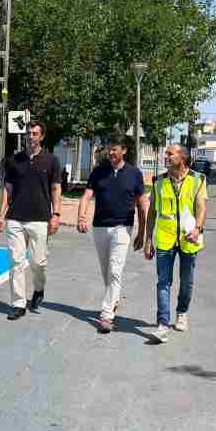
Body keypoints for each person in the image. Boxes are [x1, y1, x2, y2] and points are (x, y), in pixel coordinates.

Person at [76, 141, 147, 333]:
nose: (111, 152)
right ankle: (113, 299)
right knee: (107, 272)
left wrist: (142, 233)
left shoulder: (134, 174)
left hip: (123, 227)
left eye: (115, 149)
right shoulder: (99, 171)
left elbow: (142, 204)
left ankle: (106, 316)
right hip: (100, 227)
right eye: (109, 149)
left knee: (115, 271)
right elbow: (86, 196)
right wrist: (81, 216)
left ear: (123, 150)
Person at [0, 121, 62, 320]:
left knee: (38, 262)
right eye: (29, 133)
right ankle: (18, 304)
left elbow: (56, 188)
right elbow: (8, 190)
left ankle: (39, 289)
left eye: (35, 133)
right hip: (15, 218)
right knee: (16, 261)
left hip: (40, 219)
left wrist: (56, 215)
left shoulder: (51, 161)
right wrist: (1, 214)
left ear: (41, 137)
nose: (31, 136)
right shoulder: (14, 160)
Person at [144, 144, 208, 343]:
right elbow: (152, 212)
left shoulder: (198, 180)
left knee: (186, 282)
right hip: (165, 238)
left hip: (189, 238)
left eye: (170, 154)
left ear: (182, 157)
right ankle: (163, 323)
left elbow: (201, 208)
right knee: (163, 282)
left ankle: (182, 312)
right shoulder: (159, 181)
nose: (166, 156)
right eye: (166, 153)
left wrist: (197, 229)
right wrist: (148, 239)